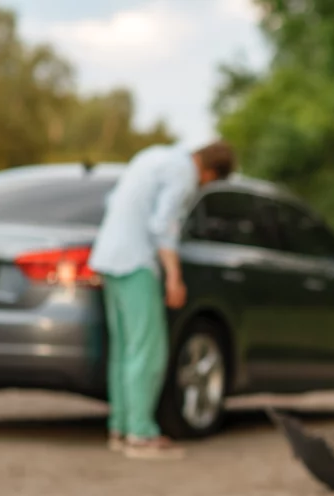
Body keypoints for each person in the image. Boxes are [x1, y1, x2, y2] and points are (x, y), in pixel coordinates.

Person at [89, 142, 236, 459]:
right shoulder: (183, 173)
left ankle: (121, 427)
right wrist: (173, 276)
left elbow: (112, 200)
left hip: (107, 256)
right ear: (210, 172)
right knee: (148, 350)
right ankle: (140, 434)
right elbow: (163, 226)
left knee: (125, 350)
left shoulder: (152, 156)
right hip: (136, 261)